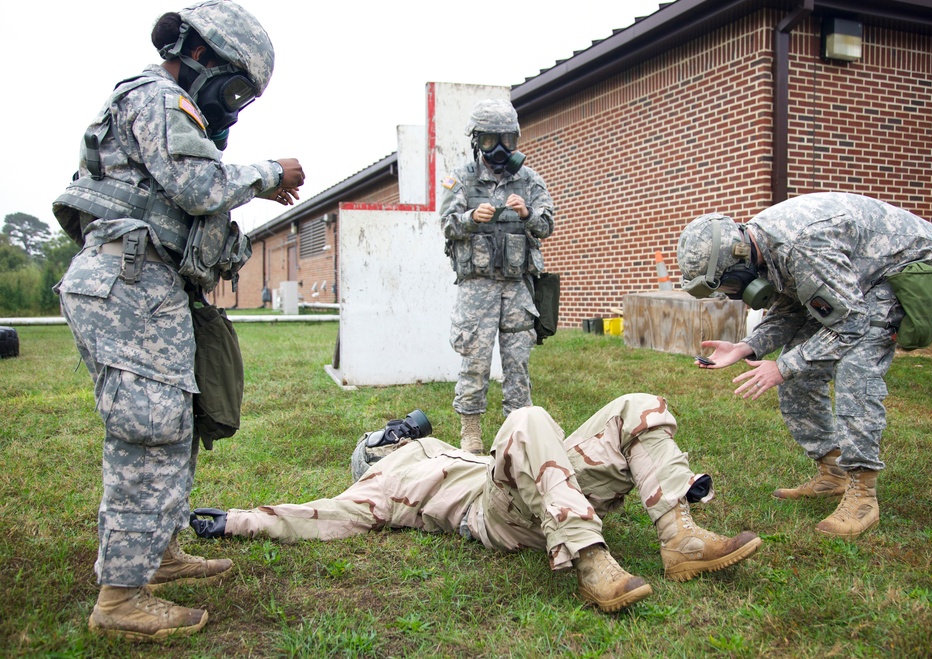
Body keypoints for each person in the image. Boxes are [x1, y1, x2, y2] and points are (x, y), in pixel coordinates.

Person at [52, 0, 305, 642]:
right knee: (148, 431)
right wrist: (270, 173)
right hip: (127, 283)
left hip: (151, 284)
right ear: (204, 59)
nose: (235, 104)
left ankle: (157, 553)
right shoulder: (157, 96)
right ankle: (119, 599)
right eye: (239, 88)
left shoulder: (166, 104)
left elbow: (190, 211)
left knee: (174, 426)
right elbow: (197, 188)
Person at [190, 394, 762, 613]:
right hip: (500, 518)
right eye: (392, 433)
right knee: (526, 418)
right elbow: (317, 515)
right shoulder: (381, 483)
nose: (403, 432)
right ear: (375, 453)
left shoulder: (433, 447)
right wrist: (237, 521)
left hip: (545, 485)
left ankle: (680, 536)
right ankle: (591, 561)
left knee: (634, 406)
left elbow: (521, 456)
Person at [675, 192, 932, 540]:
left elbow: (851, 324)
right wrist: (747, 346)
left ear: (739, 260)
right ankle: (832, 472)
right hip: (847, 277)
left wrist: (782, 366)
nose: (730, 293)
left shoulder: (801, 249)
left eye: (726, 284)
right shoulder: (763, 250)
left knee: (855, 370)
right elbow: (790, 310)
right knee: (799, 376)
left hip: (893, 265)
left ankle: (863, 495)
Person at [440, 99, 555, 454]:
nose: (501, 149)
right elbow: (446, 225)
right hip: (478, 287)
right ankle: (470, 433)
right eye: (491, 141)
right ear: (477, 140)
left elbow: (547, 224)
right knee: (474, 360)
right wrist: (471, 217)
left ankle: (516, 436)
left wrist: (529, 214)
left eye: (507, 139)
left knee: (517, 362)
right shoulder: (460, 178)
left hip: (517, 287)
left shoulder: (529, 179)